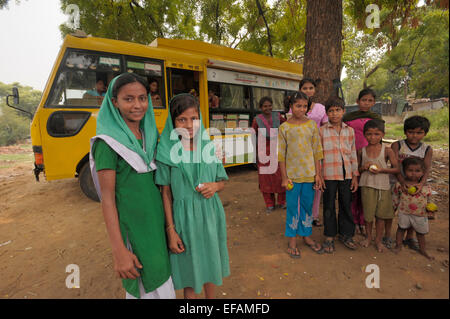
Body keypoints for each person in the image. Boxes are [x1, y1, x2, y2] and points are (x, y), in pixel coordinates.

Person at [89, 73, 175, 299]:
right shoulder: (107, 143)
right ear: (114, 102)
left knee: (163, 282)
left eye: (143, 98)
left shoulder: (148, 136)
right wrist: (119, 251)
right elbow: (107, 199)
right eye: (129, 99)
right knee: (145, 287)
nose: (137, 105)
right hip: (134, 231)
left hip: (155, 227)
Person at [155, 93, 230, 299]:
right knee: (191, 274)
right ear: (173, 122)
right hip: (184, 221)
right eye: (182, 119)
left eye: (194, 118)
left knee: (211, 267)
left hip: (210, 215)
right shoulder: (166, 152)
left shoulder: (209, 147)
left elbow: (222, 181)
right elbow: (166, 193)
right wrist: (171, 230)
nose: (189, 125)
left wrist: (215, 186)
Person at [278, 91, 325, 258]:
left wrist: (318, 174)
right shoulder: (284, 127)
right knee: (292, 208)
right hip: (292, 177)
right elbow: (281, 155)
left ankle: (306, 236)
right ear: (291, 106)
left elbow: (317, 152)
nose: (302, 109)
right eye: (298, 106)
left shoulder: (312, 125)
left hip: (309, 175)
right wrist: (284, 177)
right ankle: (292, 239)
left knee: (307, 207)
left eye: (305, 106)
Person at [319, 96, 359, 253]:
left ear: (344, 111)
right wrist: (319, 175)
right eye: (331, 111)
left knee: (346, 204)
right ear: (327, 113)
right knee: (328, 205)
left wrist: (355, 176)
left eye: (337, 110)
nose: (334, 114)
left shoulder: (350, 131)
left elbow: (353, 153)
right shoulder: (321, 131)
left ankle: (346, 234)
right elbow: (318, 155)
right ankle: (329, 236)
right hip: (328, 174)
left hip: (347, 174)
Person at [343, 88, 383, 236]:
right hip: (351, 157)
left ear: (373, 102)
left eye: (370, 100)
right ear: (357, 101)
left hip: (370, 157)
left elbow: (380, 137)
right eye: (364, 100)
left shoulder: (376, 118)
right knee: (354, 190)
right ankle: (353, 220)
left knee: (366, 190)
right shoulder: (348, 118)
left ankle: (363, 221)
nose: (366, 103)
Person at [391, 116, 433, 251]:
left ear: (425, 133)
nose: (414, 135)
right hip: (398, 184)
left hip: (416, 187)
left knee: (413, 210)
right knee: (395, 210)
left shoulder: (426, 149)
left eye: (419, 132)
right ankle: (390, 236)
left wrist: (421, 185)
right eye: (411, 132)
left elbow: (426, 169)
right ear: (405, 131)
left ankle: (409, 237)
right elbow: (395, 165)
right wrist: (402, 181)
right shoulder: (398, 145)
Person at [358, 119, 399, 252]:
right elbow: (357, 170)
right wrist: (364, 167)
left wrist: (382, 170)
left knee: (380, 216)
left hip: (383, 187)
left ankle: (378, 240)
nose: (373, 137)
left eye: (376, 134)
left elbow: (397, 169)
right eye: (369, 134)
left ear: (383, 134)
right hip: (366, 186)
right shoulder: (362, 151)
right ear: (364, 134)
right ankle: (369, 237)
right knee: (368, 216)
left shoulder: (387, 151)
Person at [392, 157, 435, 260]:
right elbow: (395, 197)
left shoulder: (425, 187)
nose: (413, 173)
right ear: (404, 171)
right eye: (410, 170)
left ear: (423, 172)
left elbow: (429, 200)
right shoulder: (400, 185)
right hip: (404, 212)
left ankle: (423, 249)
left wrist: (431, 211)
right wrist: (393, 208)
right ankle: (398, 245)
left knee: (420, 233)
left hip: (420, 214)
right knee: (401, 229)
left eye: (417, 171)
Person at [299, 78, 329, 227]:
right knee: (301, 182)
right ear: (300, 90)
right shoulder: (295, 107)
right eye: (305, 88)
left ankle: (314, 215)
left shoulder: (321, 108)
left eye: (311, 88)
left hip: (317, 150)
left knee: (317, 182)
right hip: (299, 151)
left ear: (315, 90)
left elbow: (325, 127)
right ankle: (301, 214)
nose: (308, 91)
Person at [251, 96, 286, 213]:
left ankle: (282, 202)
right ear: (261, 108)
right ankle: (269, 204)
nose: (268, 108)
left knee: (280, 177)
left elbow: (286, 127)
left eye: (269, 105)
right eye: (265, 106)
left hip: (278, 152)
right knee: (265, 180)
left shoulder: (278, 117)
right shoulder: (257, 120)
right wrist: (254, 155)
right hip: (263, 153)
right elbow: (253, 136)